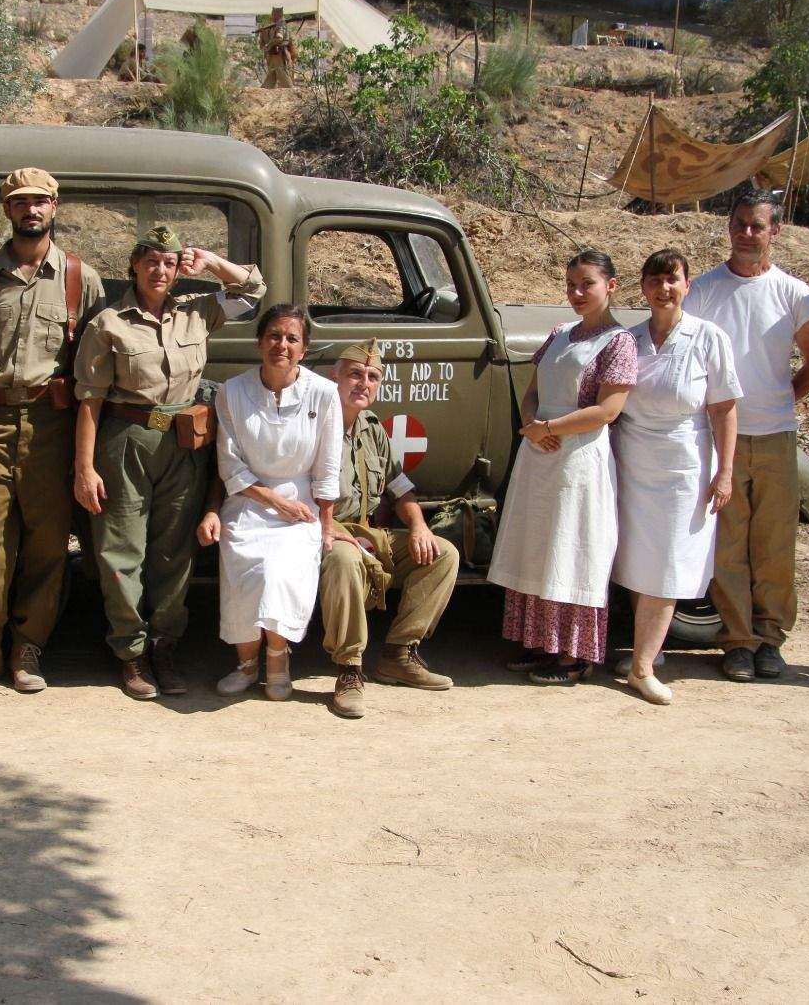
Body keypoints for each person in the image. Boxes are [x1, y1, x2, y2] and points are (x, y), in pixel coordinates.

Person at [73, 225, 262, 700]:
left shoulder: (197, 313)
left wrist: (213, 263)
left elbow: (254, 290)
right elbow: (90, 400)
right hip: (125, 442)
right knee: (121, 549)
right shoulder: (108, 323)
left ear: (180, 270)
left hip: (182, 443)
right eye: (152, 261)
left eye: (170, 263)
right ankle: (131, 654)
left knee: (174, 552)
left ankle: (164, 647)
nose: (160, 270)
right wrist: (84, 467)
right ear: (134, 265)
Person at [0, 168, 104, 695]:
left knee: (48, 542)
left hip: (54, 425)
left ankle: (29, 646)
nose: (30, 210)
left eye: (40, 201)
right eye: (20, 202)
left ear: (55, 206)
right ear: (6, 211)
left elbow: (97, 366)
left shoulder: (82, 279)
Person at [687, 188, 809, 682]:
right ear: (729, 228)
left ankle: (771, 640)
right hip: (716, 436)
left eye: (758, 226)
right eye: (740, 225)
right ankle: (737, 641)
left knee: (774, 545)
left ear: (776, 232)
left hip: (775, 436)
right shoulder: (703, 290)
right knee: (726, 545)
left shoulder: (794, 293)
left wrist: (783, 398)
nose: (748, 235)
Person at [488, 250, 636, 685]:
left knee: (571, 548)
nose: (576, 293)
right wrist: (531, 424)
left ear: (610, 286)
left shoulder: (617, 342)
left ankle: (571, 655)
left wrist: (548, 427)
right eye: (571, 284)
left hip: (578, 459)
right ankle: (539, 642)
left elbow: (608, 409)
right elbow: (531, 389)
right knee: (538, 545)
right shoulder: (559, 333)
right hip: (541, 452)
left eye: (586, 284)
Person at [611, 250, 741, 706]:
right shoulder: (628, 339)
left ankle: (642, 668)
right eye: (655, 280)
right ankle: (652, 651)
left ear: (687, 285)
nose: (664, 289)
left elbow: (724, 408)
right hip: (631, 460)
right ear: (643, 287)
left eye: (673, 279)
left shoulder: (708, 338)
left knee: (668, 562)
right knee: (636, 559)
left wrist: (724, 471)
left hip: (683, 466)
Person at [317, 339, 459, 719]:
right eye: (354, 374)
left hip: (366, 531)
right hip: (324, 530)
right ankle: (349, 669)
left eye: (372, 377)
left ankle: (398, 653)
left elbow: (400, 488)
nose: (363, 383)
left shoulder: (372, 428)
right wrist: (327, 527)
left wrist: (418, 526)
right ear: (335, 378)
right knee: (344, 560)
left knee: (443, 554)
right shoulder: (314, 423)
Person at [212, 304, 342, 700]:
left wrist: (326, 521)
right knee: (246, 568)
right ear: (259, 342)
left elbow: (328, 463)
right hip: (249, 501)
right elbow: (229, 462)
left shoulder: (324, 393)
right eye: (273, 336)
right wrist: (268, 498)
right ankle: (247, 664)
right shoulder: (231, 392)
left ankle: (277, 658)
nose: (281, 345)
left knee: (279, 571)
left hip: (300, 504)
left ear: (304, 348)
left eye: (291, 338)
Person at [257, 7, 296, 88]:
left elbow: (279, 38)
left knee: (282, 73)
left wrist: (268, 43)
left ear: (278, 14)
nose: (272, 15)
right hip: (273, 54)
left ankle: (291, 91)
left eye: (274, 13)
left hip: (278, 54)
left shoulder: (281, 24)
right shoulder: (274, 25)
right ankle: (265, 89)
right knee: (272, 74)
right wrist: (263, 34)